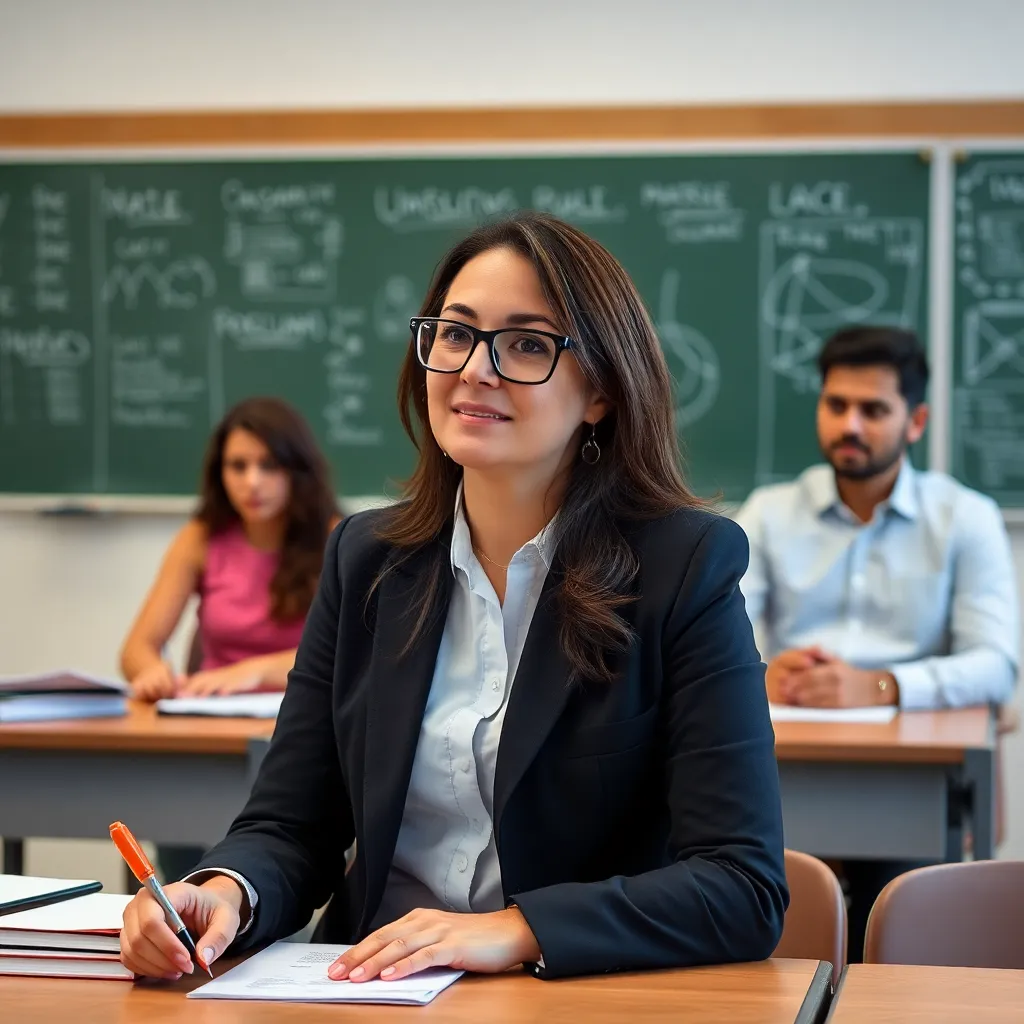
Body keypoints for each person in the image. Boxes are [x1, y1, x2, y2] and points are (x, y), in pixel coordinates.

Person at [118, 213, 788, 984]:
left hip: (565, 995)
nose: (475, 368)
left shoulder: (684, 565)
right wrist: (224, 890)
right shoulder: (366, 560)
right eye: (455, 334)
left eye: (528, 344)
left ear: (600, 392)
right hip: (362, 988)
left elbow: (742, 888)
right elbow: (292, 825)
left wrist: (514, 931)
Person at [735, 325, 1019, 960]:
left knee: (894, 909)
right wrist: (759, 672)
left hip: (908, 778)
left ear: (915, 421)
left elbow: (996, 664)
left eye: (874, 410)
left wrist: (883, 686)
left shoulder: (963, 517)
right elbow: (716, 626)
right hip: (780, 767)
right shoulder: (770, 510)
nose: (851, 426)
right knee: (750, 895)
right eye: (836, 406)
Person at [119, 396, 340, 881]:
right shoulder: (201, 538)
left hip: (298, 733)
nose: (251, 482)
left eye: (268, 465)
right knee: (174, 835)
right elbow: (137, 648)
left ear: (297, 470)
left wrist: (253, 670)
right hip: (207, 737)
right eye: (237, 466)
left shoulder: (338, 539)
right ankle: (185, 927)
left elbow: (351, 656)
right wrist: (152, 672)